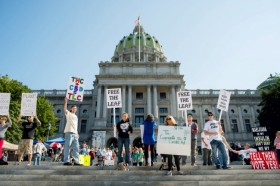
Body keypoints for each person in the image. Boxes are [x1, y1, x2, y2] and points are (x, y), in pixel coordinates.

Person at [63, 97, 82, 166]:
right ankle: (66, 160)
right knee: (67, 147)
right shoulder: (69, 114)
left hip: (75, 133)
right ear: (71, 109)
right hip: (69, 132)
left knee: (76, 147)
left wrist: (77, 133)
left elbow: (75, 126)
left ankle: (76, 161)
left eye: (76, 108)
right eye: (74, 108)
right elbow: (65, 109)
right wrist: (66, 101)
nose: (75, 109)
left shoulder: (76, 116)